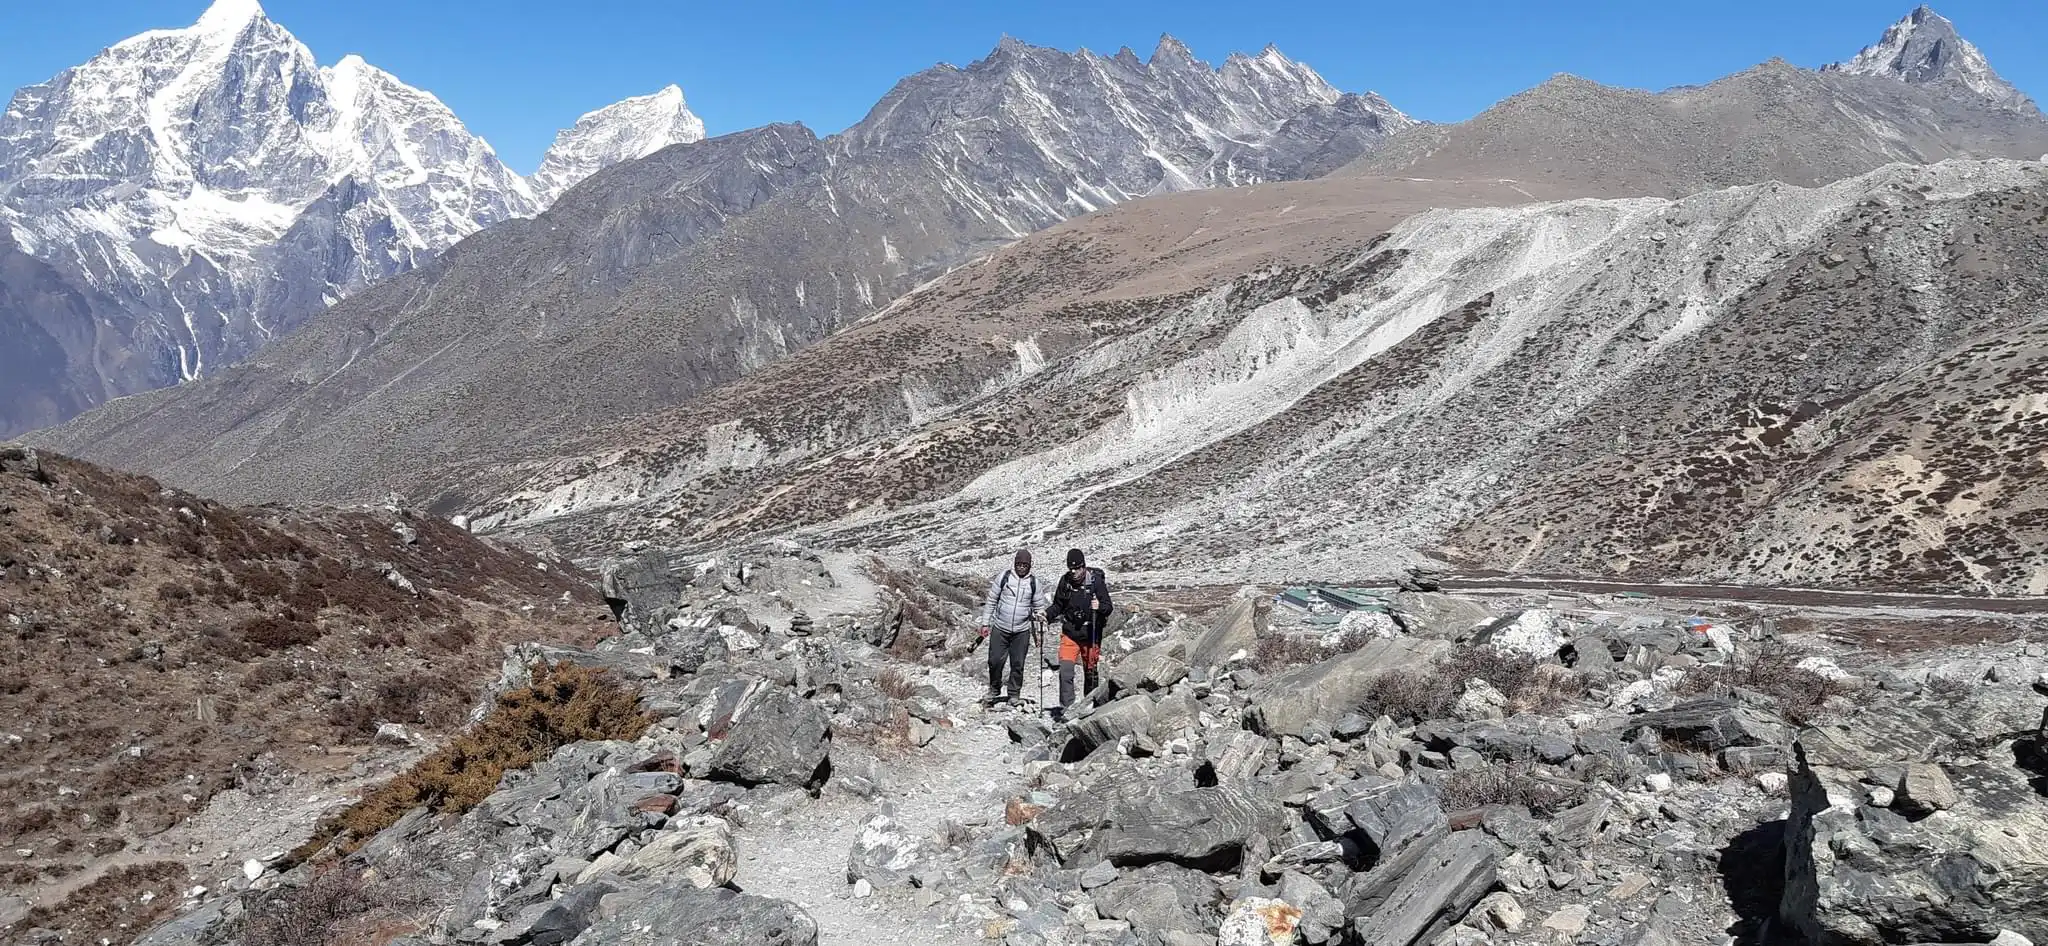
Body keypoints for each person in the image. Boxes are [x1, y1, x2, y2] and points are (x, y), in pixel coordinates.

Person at [1045, 548, 1113, 721]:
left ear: (1084, 566)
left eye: (1077, 568)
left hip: (1091, 634)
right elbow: (1057, 606)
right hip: (1070, 634)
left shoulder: (1096, 582)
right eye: (1071, 569)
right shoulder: (1065, 582)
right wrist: (1045, 615)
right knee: (1066, 672)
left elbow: (1108, 607)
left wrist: (1099, 607)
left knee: (1090, 673)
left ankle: (1089, 709)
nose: (1074, 572)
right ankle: (1067, 710)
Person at [979, 549, 1048, 706]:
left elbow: (1039, 607)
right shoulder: (1004, 577)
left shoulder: (1034, 583)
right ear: (1015, 563)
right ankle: (994, 688)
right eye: (1019, 564)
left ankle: (1014, 694)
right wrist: (985, 623)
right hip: (1000, 627)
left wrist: (1040, 629)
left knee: (1018, 664)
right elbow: (991, 601)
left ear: (1030, 565)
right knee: (995, 660)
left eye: (1025, 565)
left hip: (1022, 630)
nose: (1022, 567)